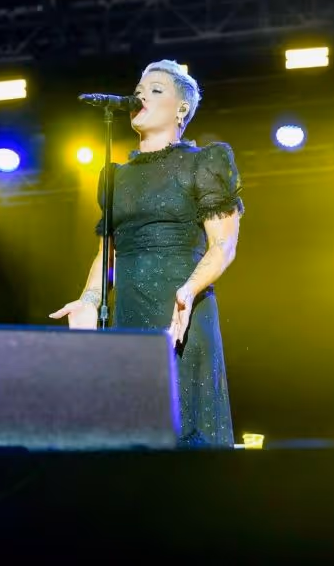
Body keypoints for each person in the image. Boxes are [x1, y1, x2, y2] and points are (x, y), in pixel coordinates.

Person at [50, 59, 243, 448]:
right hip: (129, 312)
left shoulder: (203, 162)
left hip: (181, 310)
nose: (141, 95)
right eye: (139, 89)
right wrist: (89, 299)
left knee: (188, 432)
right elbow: (108, 252)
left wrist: (188, 291)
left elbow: (223, 245)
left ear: (181, 108)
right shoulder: (115, 176)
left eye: (156, 90)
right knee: (135, 434)